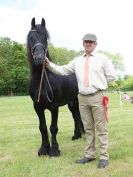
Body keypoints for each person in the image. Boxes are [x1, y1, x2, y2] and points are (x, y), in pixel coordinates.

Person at [44, 33, 116, 168]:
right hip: (82, 98)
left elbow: (112, 76)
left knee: (101, 128)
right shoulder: (77, 61)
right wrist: (49, 64)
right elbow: (63, 70)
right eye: (86, 42)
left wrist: (99, 84)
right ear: (83, 43)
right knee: (88, 128)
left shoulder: (103, 59)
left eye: (91, 42)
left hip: (97, 97)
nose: (88, 44)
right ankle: (89, 155)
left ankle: (104, 157)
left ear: (95, 44)